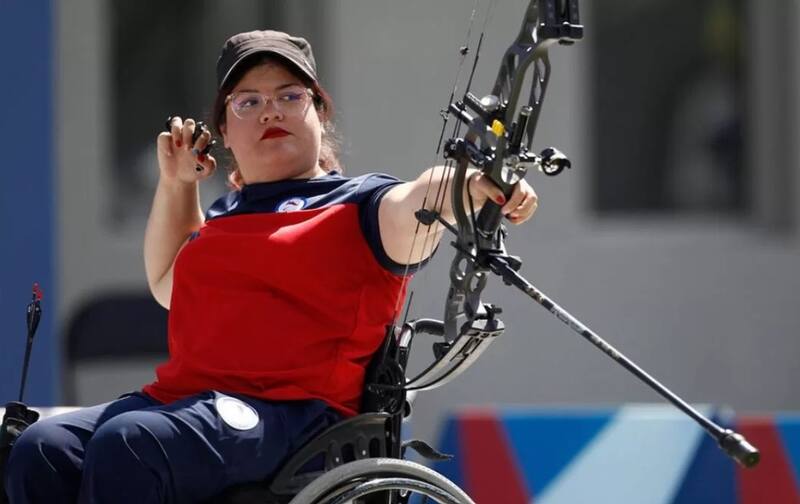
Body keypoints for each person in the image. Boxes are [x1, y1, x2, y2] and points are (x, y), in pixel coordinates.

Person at [4, 30, 537, 503]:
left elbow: (425, 196)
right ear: (224, 132)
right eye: (248, 102)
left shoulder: (361, 204)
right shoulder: (222, 218)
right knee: (40, 447)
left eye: (290, 96)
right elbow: (170, 283)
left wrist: (476, 184)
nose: (270, 111)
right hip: (183, 406)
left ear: (319, 114)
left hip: (293, 418)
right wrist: (177, 183)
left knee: (133, 443)